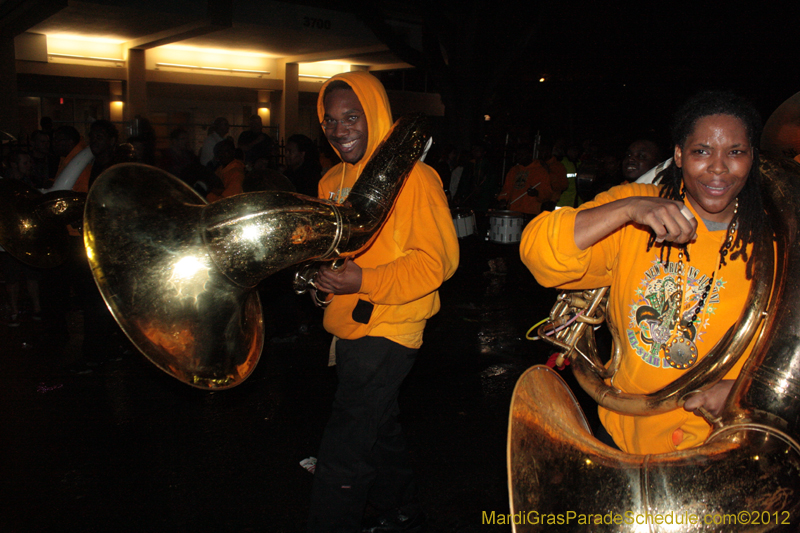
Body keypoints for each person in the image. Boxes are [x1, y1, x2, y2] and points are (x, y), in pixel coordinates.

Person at [520, 91, 769, 455]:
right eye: (702, 151)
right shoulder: (638, 203)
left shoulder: (775, 235)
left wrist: (748, 389)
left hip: (728, 442)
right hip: (626, 439)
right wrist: (629, 208)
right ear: (679, 155)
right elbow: (540, 255)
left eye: (735, 152)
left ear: (751, 159)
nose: (719, 168)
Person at [307, 71, 459, 532]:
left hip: (392, 328)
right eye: (330, 120)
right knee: (379, 428)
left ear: (376, 115)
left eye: (352, 117)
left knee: (345, 446)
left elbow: (438, 263)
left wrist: (362, 280)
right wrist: (323, 280)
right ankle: (404, 510)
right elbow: (335, 257)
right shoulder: (331, 180)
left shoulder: (414, 177)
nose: (340, 130)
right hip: (349, 324)